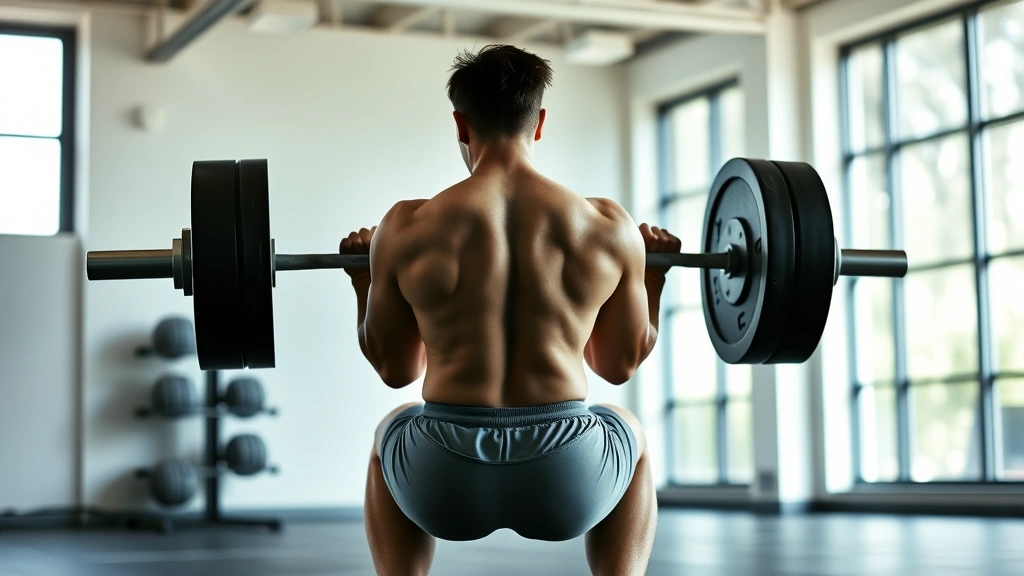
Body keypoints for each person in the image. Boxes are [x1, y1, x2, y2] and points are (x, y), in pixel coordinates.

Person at [339, 45, 681, 576]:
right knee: (627, 427)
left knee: (393, 426)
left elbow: (397, 370)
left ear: (460, 123)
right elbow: (617, 365)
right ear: (539, 121)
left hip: (443, 477)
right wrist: (651, 277)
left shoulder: (404, 227)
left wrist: (362, 280)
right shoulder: (607, 226)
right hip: (567, 477)